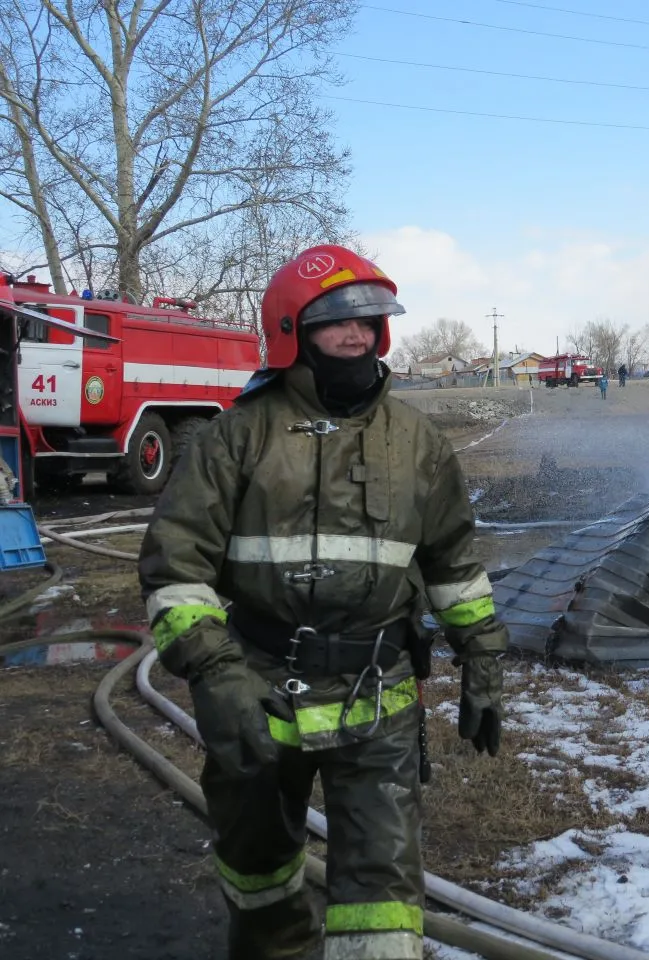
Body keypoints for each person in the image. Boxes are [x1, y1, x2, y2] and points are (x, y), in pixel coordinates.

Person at [138, 244, 508, 960]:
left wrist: (484, 659)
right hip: (258, 691)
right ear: (292, 330)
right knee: (259, 872)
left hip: (378, 698)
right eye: (337, 322)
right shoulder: (236, 436)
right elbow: (176, 566)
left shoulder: (418, 443)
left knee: (382, 903)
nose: (356, 335)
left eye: (369, 322)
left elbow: (454, 564)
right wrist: (216, 674)